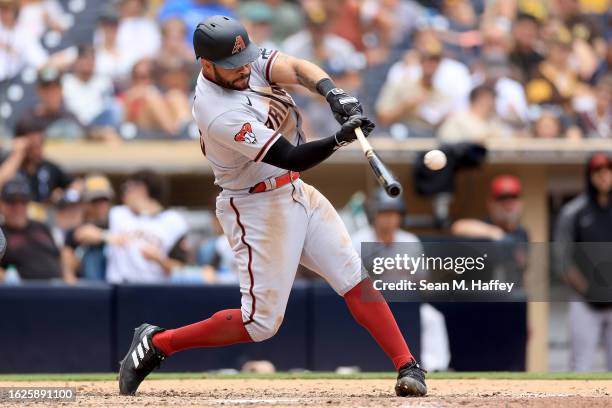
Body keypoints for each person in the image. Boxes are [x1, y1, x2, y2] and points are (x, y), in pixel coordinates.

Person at [118, 16, 426, 398]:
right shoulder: (216, 111)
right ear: (206, 65)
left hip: (295, 192)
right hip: (255, 205)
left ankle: (407, 366)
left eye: (246, 59)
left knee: (353, 277)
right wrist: (338, 139)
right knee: (260, 324)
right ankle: (158, 344)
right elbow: (291, 156)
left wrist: (332, 93)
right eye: (233, 66)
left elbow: (296, 68)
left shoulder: (241, 59)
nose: (245, 69)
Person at [351, 188, 451, 372]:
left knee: (432, 317)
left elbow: (424, 284)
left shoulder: (410, 241)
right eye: (384, 212)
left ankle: (436, 367)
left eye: (393, 213)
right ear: (375, 214)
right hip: (372, 302)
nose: (389, 218)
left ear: (400, 216)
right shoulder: (358, 241)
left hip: (405, 301)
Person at [554, 152, 612, 371]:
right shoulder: (574, 211)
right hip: (585, 301)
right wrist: (587, 289)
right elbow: (562, 258)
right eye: (598, 171)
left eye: (608, 169)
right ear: (590, 175)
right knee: (580, 365)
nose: (604, 176)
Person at [103, 170, 189, 283]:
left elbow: (181, 269)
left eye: (127, 187)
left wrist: (159, 260)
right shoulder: (118, 214)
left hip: (153, 289)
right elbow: (82, 233)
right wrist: (105, 236)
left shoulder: (174, 221)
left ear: (142, 189)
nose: (123, 194)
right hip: (119, 287)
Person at [0, 174, 70, 282]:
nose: (18, 208)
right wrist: (6, 278)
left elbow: (61, 254)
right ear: (2, 204)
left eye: (23, 202)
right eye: (12, 202)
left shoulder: (41, 227)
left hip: (57, 289)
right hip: (21, 293)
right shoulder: (1, 233)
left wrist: (68, 275)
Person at [0, 119, 72, 204]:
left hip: (44, 215)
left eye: (40, 144)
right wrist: (17, 154)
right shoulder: (8, 165)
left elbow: (75, 185)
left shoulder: (48, 167)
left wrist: (65, 195)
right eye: (33, 145)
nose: (38, 151)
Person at [62, 174, 114, 281]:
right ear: (85, 203)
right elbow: (83, 234)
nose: (101, 205)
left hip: (120, 285)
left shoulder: (118, 223)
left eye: (104, 200)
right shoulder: (74, 231)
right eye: (95, 201)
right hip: (92, 288)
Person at [451, 175, 529, 243]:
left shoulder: (522, 233)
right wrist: (495, 233)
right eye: (502, 198)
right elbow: (458, 227)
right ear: (490, 203)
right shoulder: (485, 227)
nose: (508, 204)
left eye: (513, 197)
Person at [437, 85, 512, 144]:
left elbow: (507, 141)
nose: (493, 104)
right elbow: (448, 144)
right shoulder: (457, 120)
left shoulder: (494, 122)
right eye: (490, 99)